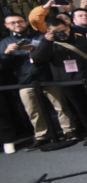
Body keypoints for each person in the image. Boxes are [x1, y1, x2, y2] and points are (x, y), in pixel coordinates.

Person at [31, 17, 87, 146]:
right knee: (80, 108)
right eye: (56, 31)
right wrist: (46, 42)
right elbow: (38, 58)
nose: (61, 33)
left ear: (68, 27)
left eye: (63, 30)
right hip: (67, 82)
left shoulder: (83, 40)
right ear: (49, 31)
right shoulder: (49, 44)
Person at [2, 13, 76, 146]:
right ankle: (42, 135)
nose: (17, 25)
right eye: (12, 23)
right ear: (6, 26)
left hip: (48, 77)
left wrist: (39, 49)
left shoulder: (41, 36)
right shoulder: (5, 43)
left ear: (26, 22)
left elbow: (55, 53)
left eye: (20, 21)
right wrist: (7, 53)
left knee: (60, 105)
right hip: (25, 81)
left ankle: (69, 130)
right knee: (32, 110)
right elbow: (3, 65)